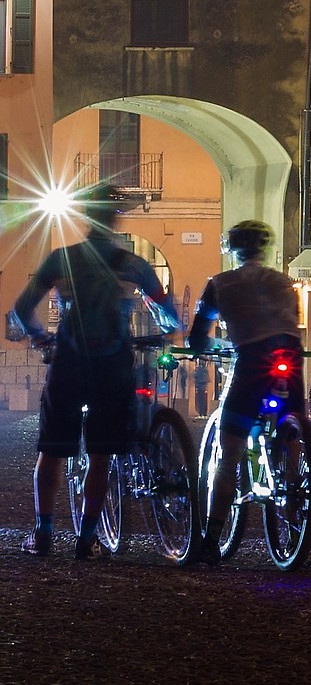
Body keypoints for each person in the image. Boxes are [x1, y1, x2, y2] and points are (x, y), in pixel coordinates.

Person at [11, 186, 179, 558]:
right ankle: (87, 539)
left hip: (69, 361)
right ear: (115, 220)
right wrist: (165, 327)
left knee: (51, 451)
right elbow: (168, 315)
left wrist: (42, 340)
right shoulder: (134, 265)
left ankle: (42, 534)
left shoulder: (61, 260)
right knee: (101, 454)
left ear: (85, 219)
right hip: (113, 365)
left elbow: (22, 310)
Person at [185, 219, 302, 560]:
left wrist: (216, 344)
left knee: (229, 453)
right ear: (265, 249)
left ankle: (212, 539)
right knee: (290, 432)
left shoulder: (219, 284)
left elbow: (197, 336)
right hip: (290, 359)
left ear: (232, 249)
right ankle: (296, 513)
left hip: (251, 362)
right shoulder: (286, 283)